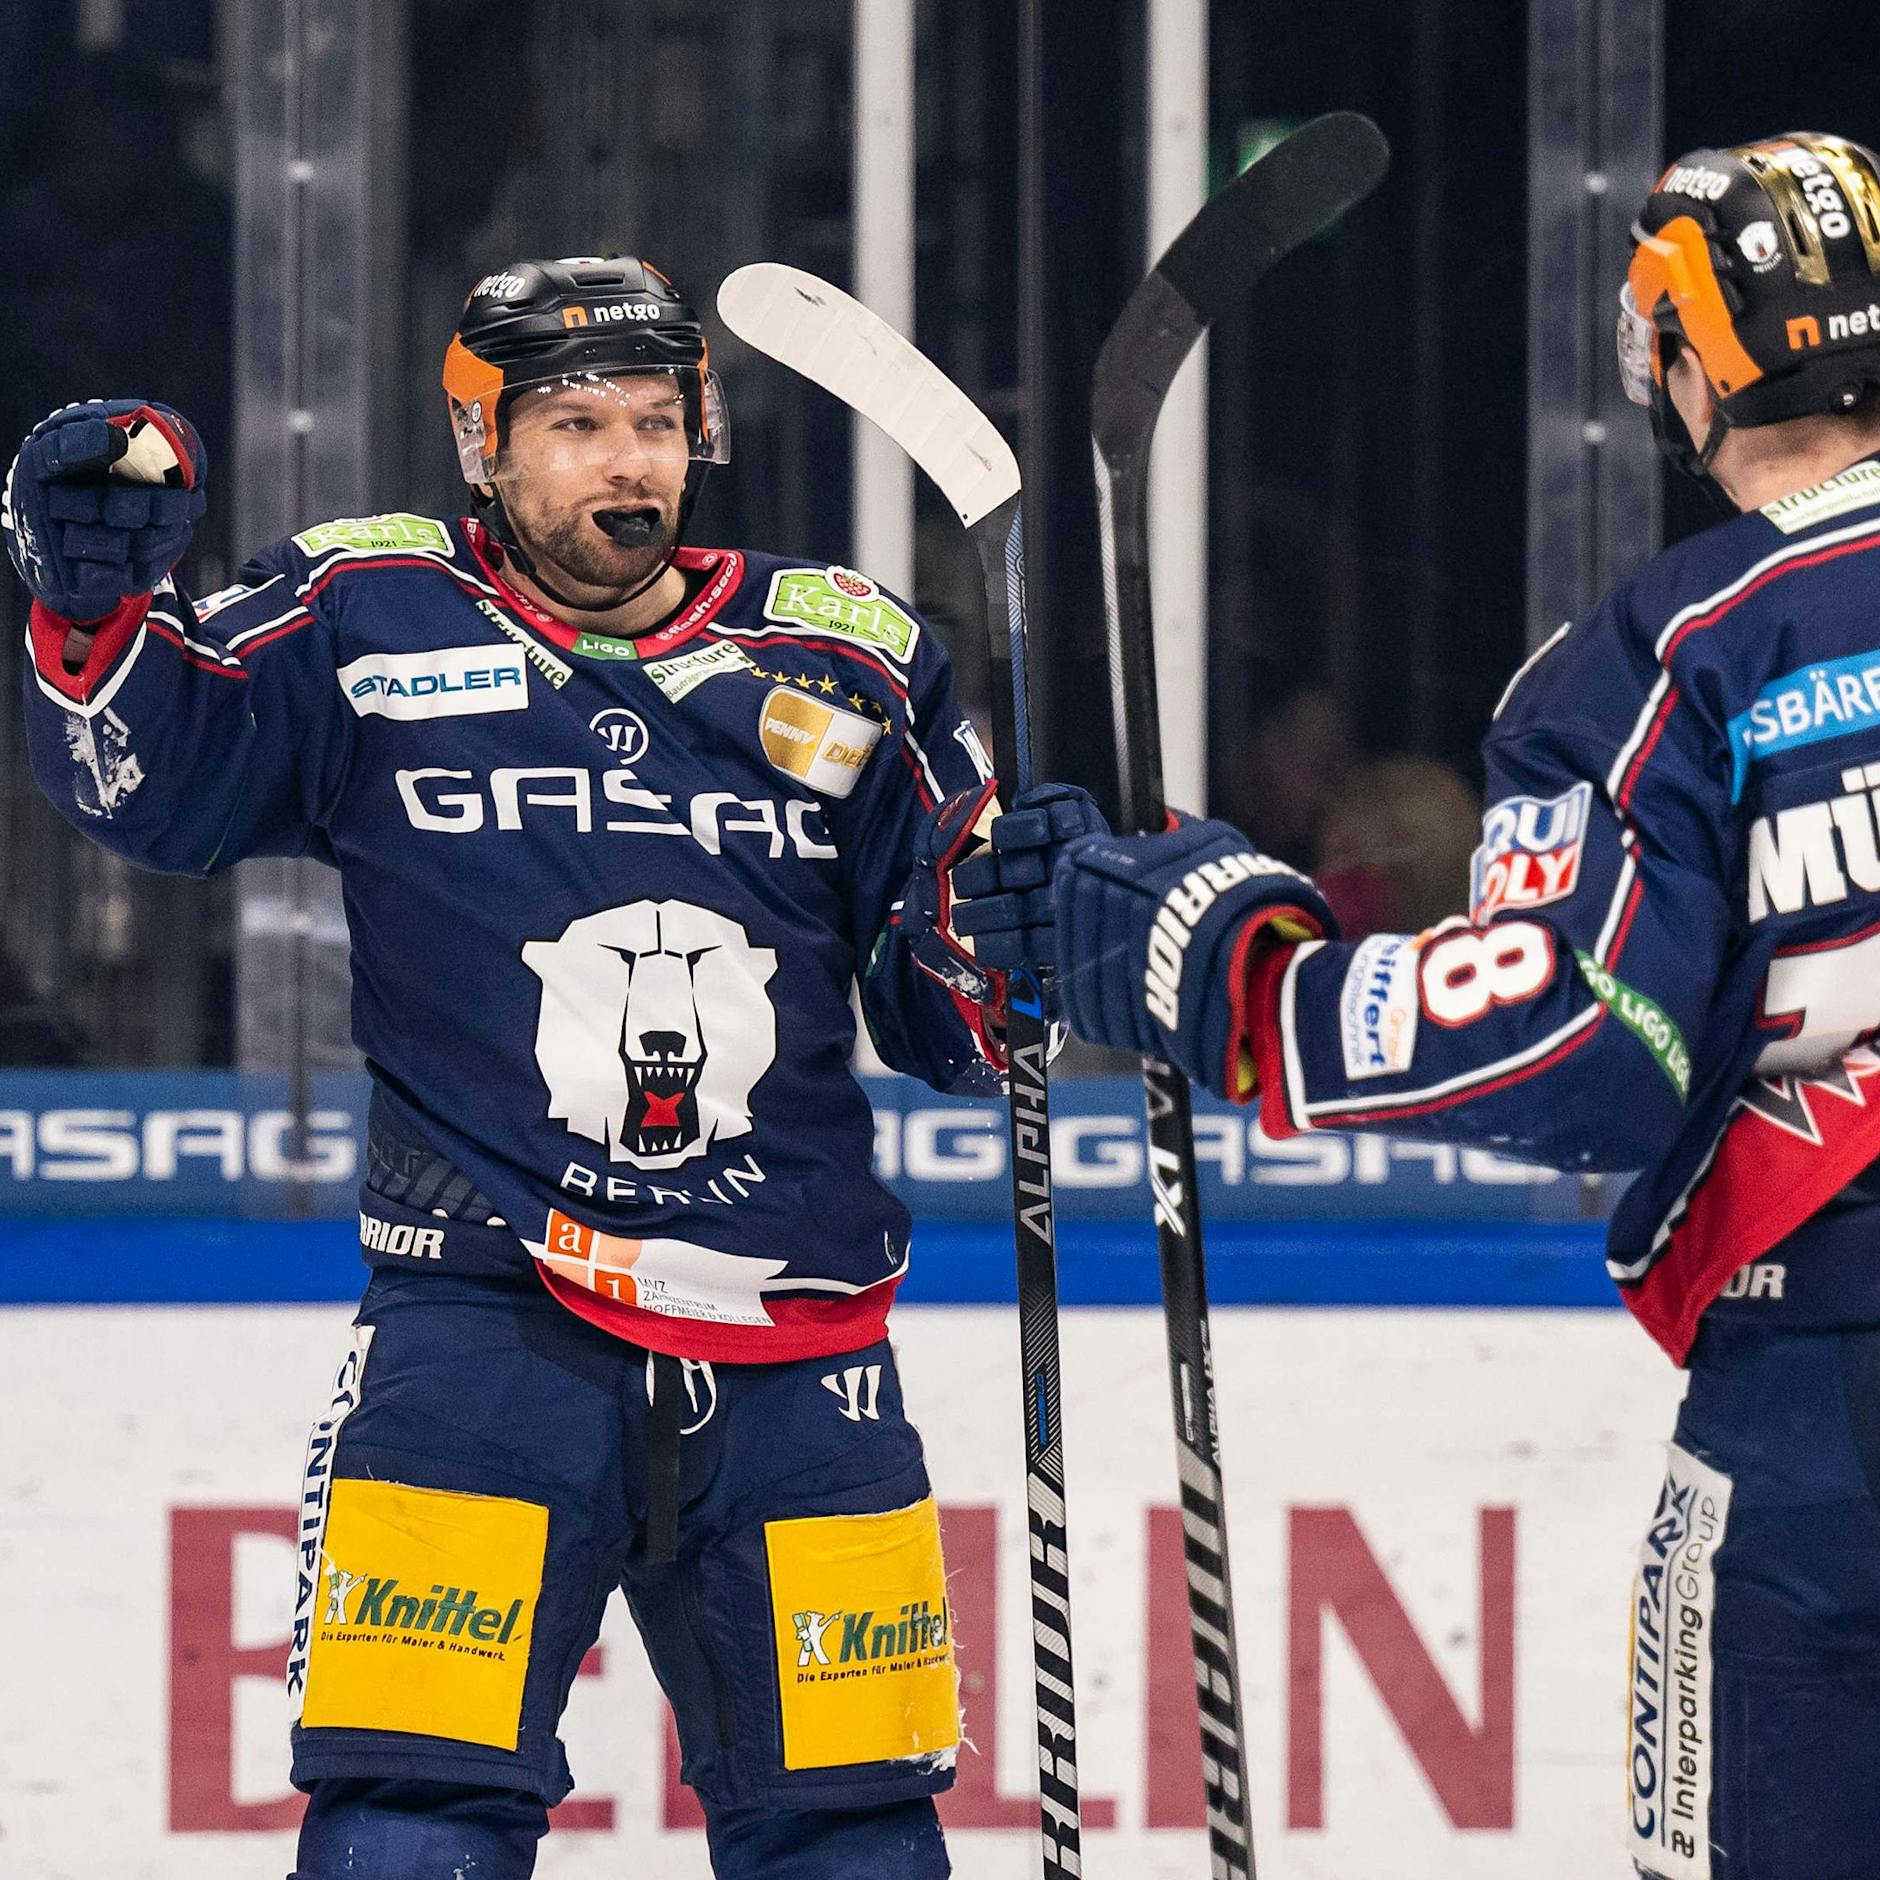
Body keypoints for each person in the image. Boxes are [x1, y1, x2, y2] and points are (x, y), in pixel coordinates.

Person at [3, 255, 1098, 1880]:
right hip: (483, 1329)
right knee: (405, 1820)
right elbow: (156, 791)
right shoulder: (359, 607)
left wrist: (1015, 939)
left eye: (655, 421)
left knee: (856, 1839)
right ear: (484, 448)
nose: (628, 461)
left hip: (801, 1350)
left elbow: (949, 1019)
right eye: (577, 425)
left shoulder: (851, 655)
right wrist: (93, 615)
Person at [982, 133, 1880, 1878]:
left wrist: (1224, 967)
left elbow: (1577, 1042)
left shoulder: (1677, 650)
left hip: (1830, 1376)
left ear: (1682, 361)